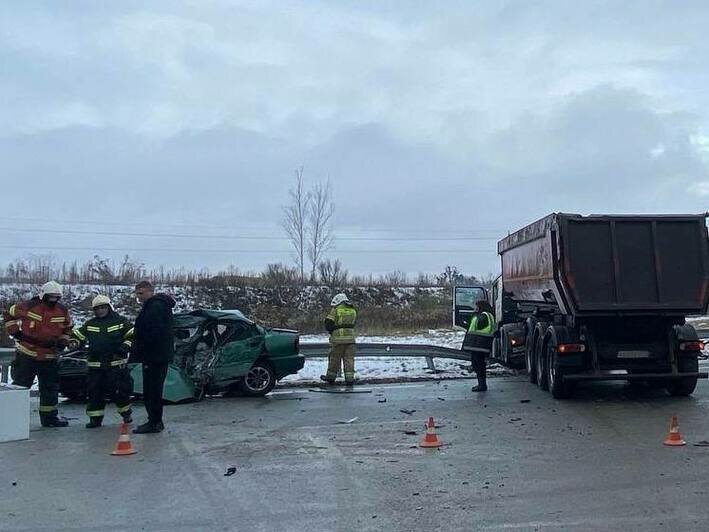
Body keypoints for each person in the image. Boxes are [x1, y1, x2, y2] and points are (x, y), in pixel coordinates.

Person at [2, 281, 73, 427]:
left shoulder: (62, 310)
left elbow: (68, 328)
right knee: (20, 388)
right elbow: (8, 314)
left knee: (50, 389)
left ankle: (49, 419)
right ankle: (13, 420)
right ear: (43, 295)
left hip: (49, 356)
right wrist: (15, 332)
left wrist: (63, 341)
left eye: (56, 297)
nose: (54, 300)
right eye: (51, 297)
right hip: (27, 354)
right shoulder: (28, 306)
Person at [71, 295, 134, 428]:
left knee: (120, 391)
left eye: (103, 307)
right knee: (95, 393)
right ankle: (95, 419)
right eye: (97, 308)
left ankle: (126, 413)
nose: (100, 310)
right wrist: (74, 342)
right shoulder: (90, 324)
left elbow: (133, 335)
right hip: (96, 366)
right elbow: (78, 336)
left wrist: (125, 347)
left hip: (116, 365)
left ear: (109, 307)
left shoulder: (121, 321)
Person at [131, 281, 175, 434]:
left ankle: (154, 422)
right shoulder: (156, 305)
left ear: (150, 292)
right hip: (157, 355)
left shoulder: (155, 307)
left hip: (154, 356)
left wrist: (142, 349)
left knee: (152, 390)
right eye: (137, 293)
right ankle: (155, 421)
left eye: (141, 293)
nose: (138, 297)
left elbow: (152, 332)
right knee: (152, 390)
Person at [320, 293, 357, 385]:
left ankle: (331, 378)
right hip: (351, 340)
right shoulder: (353, 310)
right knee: (349, 360)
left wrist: (332, 331)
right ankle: (349, 379)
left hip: (338, 340)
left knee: (334, 359)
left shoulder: (336, 309)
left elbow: (328, 323)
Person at [463, 300, 495, 392]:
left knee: (479, 364)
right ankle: (481, 384)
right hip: (479, 344)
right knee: (477, 363)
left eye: (476, 307)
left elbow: (478, 325)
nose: (475, 308)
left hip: (480, 344)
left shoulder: (484, 315)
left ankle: (482, 385)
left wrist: (473, 316)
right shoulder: (487, 314)